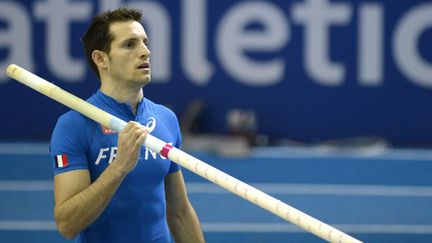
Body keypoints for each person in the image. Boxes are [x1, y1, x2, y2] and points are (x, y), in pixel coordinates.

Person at [50, 7, 205, 243]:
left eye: (145, 42)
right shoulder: (74, 125)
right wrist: (119, 166)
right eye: (129, 45)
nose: (145, 52)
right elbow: (68, 224)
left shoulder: (166, 119)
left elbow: (180, 213)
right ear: (101, 58)